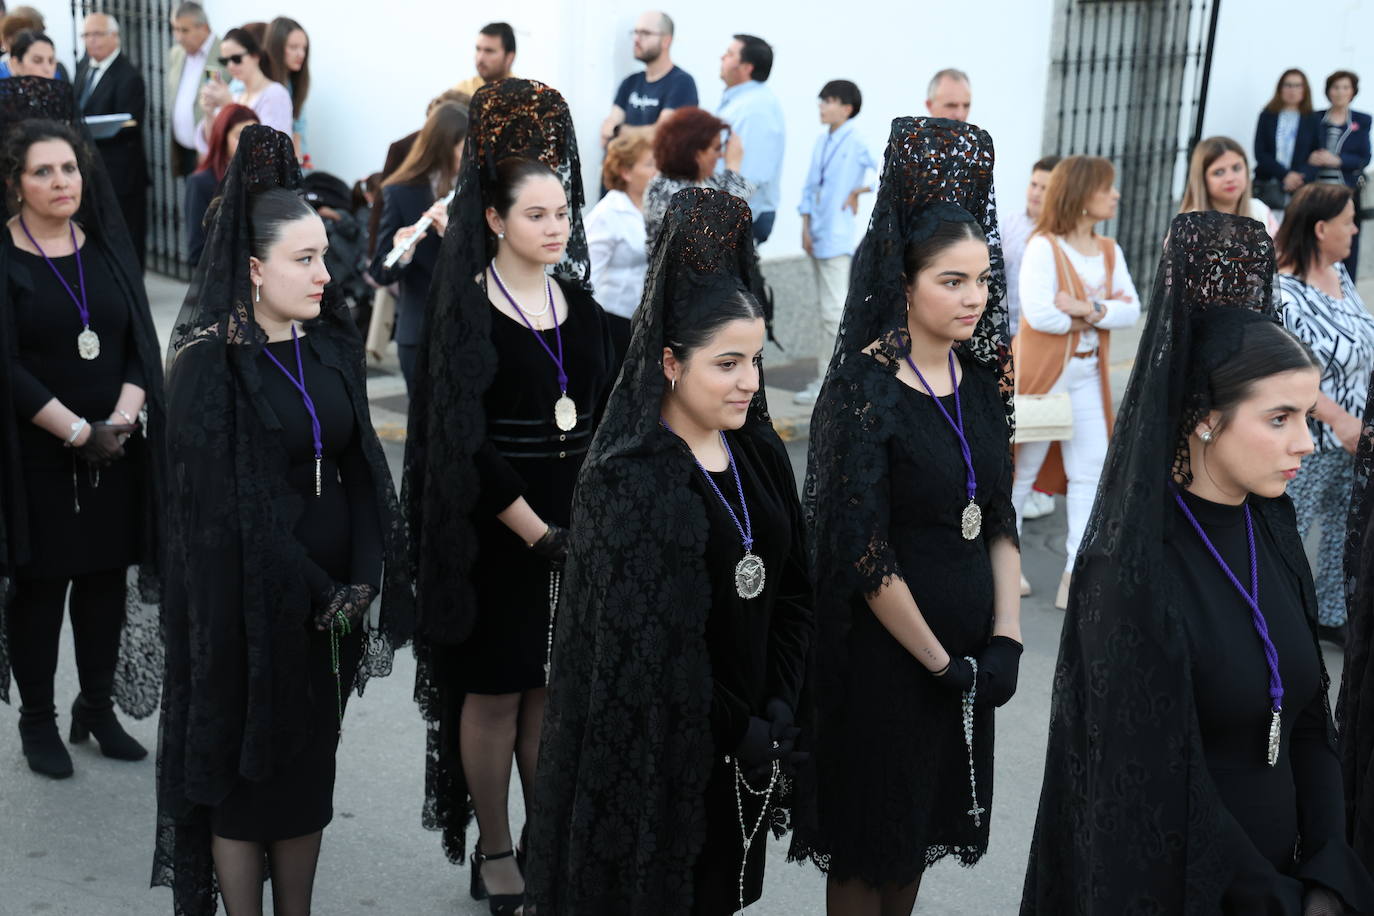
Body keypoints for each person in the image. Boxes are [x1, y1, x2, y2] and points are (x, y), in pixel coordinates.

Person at [1023, 209, 1374, 915]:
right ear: (1205, 417)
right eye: (1280, 418)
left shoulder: (1270, 533)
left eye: (1307, 417)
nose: (1305, 442)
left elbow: (1308, 719)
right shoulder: (1131, 570)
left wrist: (1331, 871)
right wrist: (1277, 899)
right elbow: (1155, 786)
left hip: (1297, 883)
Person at [528, 185, 809, 914]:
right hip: (661, 753)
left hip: (751, 738)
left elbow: (794, 588)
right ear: (670, 362)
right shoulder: (629, 474)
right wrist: (737, 725)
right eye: (726, 364)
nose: (749, 382)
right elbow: (646, 649)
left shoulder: (756, 454)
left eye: (754, 359)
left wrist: (779, 701)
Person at [153, 125, 412, 916]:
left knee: (308, 772)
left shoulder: (329, 349)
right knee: (245, 777)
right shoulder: (207, 366)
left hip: (330, 610)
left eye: (324, 256)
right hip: (247, 612)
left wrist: (364, 578)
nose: (324, 275)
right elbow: (235, 511)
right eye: (305, 261)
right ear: (254, 268)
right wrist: (317, 586)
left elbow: (368, 471)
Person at [789, 117, 1020, 916]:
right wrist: (936, 661)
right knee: (869, 846)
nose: (973, 297)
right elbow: (863, 547)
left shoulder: (981, 379)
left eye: (982, 280)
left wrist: (1006, 639)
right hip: (889, 660)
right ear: (906, 280)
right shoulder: (866, 388)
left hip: (963, 653)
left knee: (921, 829)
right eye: (951, 280)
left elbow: (997, 514)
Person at [403, 79, 618, 916]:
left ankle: (543, 840)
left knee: (549, 690)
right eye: (537, 214)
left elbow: (603, 417)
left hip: (574, 530)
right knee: (494, 693)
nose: (556, 225)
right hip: (499, 536)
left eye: (563, 211)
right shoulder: (467, 311)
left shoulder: (583, 306)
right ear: (494, 219)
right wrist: (537, 533)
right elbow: (464, 440)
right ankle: (494, 850)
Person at [0, 78, 165, 780]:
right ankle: (38, 717)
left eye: (68, 167)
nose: (60, 180)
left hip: (114, 449)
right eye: (43, 171)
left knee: (104, 584)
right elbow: (5, 367)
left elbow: (136, 342)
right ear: (16, 184)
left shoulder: (102, 246)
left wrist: (121, 420)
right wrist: (76, 431)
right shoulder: (4, 258)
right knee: (42, 593)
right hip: (38, 454)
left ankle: (94, 707)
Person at [1013, 155, 1140, 608]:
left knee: (1090, 472)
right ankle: (1005, 572)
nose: (1115, 195)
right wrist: (1101, 310)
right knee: (1020, 476)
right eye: (1107, 187)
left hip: (1087, 376)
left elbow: (1131, 309)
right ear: (1083, 195)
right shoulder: (1043, 246)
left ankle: (1074, 575)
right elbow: (1041, 314)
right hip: (1043, 379)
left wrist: (1086, 308)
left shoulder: (1109, 250)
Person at [1275, 182, 1370, 646]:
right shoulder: (1285, 293)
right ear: (1319, 228)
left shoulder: (1341, 274)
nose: (1355, 228)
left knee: (1341, 529)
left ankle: (1333, 614)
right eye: (1349, 220)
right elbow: (1290, 375)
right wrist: (1339, 420)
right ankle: (1271, 623)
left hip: (1354, 437)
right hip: (1311, 439)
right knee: (1289, 531)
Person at [367, 100, 467, 389]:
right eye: (463, 147)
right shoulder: (400, 193)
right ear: (442, 147)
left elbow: (491, 262)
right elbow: (379, 271)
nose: (471, 155)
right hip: (419, 330)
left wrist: (454, 234)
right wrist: (402, 256)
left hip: (469, 326)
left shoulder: (476, 192)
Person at [794, 78, 876, 406]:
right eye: (822, 100)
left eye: (828, 101)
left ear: (847, 107)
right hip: (817, 232)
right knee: (824, 312)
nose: (822, 106)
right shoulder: (822, 140)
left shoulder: (856, 140)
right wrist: (804, 225)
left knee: (833, 312)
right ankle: (825, 379)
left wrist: (859, 190)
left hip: (838, 236)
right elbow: (809, 185)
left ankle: (835, 382)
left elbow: (880, 168)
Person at [75, 13, 149, 268]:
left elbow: (129, 125)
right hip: (90, 166)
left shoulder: (128, 76)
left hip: (120, 171)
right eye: (86, 35)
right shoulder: (84, 68)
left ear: (114, 37)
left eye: (97, 34)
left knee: (125, 233)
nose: (90, 41)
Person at [584, 131, 655, 352]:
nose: (658, 171)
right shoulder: (608, 213)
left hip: (646, 318)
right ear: (626, 172)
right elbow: (587, 275)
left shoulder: (653, 207)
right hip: (613, 320)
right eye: (649, 164)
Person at [643, 106, 749, 249]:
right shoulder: (664, 191)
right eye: (716, 149)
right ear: (696, 154)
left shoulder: (705, 180)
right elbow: (713, 230)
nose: (721, 155)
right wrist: (733, 168)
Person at [1301, 70, 1371, 279]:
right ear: (1328, 91)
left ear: (1352, 92)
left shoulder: (1362, 120)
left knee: (1345, 239)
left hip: (1344, 190)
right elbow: (1302, 150)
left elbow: (1364, 157)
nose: (1340, 92)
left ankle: (1345, 286)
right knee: (1313, 237)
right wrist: (1311, 157)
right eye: (1335, 87)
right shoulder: (1314, 118)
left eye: (1345, 88)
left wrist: (1337, 160)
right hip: (1315, 189)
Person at [717, 33, 784, 244]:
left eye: (729, 54)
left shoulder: (756, 109)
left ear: (747, 67)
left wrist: (722, 224)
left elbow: (750, 176)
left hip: (741, 220)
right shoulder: (740, 101)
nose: (722, 57)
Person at [600, 11, 697, 147]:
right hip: (624, 168)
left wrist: (619, 131)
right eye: (636, 32)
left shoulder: (682, 83)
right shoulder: (630, 82)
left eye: (645, 33)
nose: (636, 39)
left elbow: (662, 134)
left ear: (666, 41)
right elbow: (607, 133)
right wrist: (619, 131)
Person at [194, 27, 291, 155]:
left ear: (255, 56)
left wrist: (228, 106)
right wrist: (209, 113)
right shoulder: (236, 94)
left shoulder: (275, 94)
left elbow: (270, 147)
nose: (230, 66)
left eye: (236, 59)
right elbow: (212, 144)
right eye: (225, 61)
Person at [184, 103, 256, 265]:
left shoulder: (264, 180)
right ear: (223, 138)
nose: (250, 143)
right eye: (240, 136)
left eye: (255, 136)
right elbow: (197, 252)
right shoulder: (201, 183)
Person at [166, 2, 224, 178]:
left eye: (184, 30)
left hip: (212, 154)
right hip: (183, 150)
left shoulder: (223, 54)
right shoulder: (176, 53)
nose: (178, 37)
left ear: (204, 27)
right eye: (175, 29)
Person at [1180, 135, 1279, 237]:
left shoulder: (1260, 211)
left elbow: (1279, 251)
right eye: (1218, 172)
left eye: (1236, 168)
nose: (1230, 178)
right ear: (1202, 179)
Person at [1254, 68, 1315, 213]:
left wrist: (1298, 178)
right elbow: (1260, 152)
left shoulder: (1312, 119)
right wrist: (1284, 175)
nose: (1292, 90)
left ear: (1304, 90)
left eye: (1297, 85)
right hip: (1268, 185)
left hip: (1299, 187)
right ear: (1280, 88)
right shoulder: (1267, 116)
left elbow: (1316, 155)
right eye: (1288, 85)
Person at [265, 17, 309, 160]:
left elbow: (298, 126)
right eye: (293, 47)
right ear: (276, 48)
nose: (301, 54)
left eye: (304, 48)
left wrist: (298, 158)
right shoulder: (259, 82)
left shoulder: (293, 82)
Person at [452, 22, 517, 97]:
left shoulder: (524, 96)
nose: (480, 58)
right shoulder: (460, 93)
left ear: (509, 57)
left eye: (489, 51)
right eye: (478, 49)